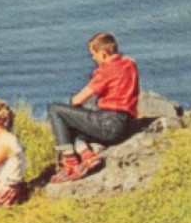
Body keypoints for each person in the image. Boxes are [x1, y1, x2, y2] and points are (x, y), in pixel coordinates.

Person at [47, 31, 140, 183]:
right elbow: (127, 60)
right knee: (79, 121)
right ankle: (86, 153)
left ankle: (70, 163)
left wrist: (71, 105)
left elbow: (78, 99)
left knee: (56, 111)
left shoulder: (106, 71)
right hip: (127, 124)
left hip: (109, 123)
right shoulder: (130, 64)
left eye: (94, 54)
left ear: (103, 54)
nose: (93, 58)